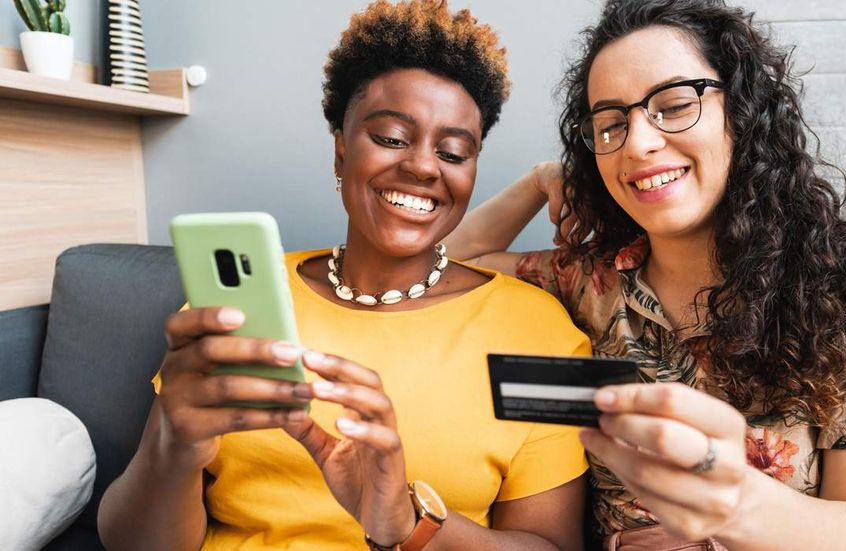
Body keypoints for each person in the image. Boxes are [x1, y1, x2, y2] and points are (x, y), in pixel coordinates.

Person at [446, 0, 846, 549]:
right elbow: (440, 266)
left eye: (675, 105)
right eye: (610, 123)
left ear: (744, 111)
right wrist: (542, 179)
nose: (637, 143)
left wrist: (729, 515)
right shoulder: (587, 283)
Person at [97, 1, 591, 549]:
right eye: (392, 138)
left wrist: (409, 523)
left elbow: (553, 546)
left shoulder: (541, 332)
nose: (424, 166)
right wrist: (172, 450)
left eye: (453, 151)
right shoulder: (238, 302)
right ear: (341, 147)